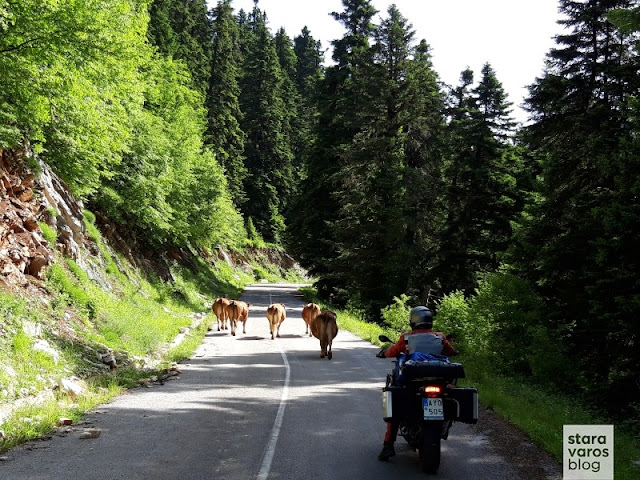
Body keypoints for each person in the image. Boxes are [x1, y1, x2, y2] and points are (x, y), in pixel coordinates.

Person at [377, 306, 458, 461]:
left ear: (413, 320)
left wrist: (384, 352)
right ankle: (443, 426)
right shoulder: (439, 337)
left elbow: (392, 351)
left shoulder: (407, 337)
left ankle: (388, 445)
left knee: (395, 402)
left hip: (412, 382)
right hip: (438, 380)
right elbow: (451, 351)